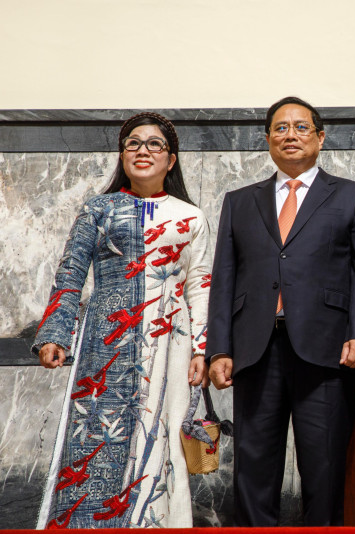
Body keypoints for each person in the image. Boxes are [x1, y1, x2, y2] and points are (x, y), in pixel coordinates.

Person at [206, 96, 355, 526]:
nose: (290, 135)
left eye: (301, 127)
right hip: (255, 350)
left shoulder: (354, 196)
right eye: (280, 128)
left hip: (327, 350)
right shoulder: (240, 201)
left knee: (323, 468)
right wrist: (219, 348)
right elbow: (224, 278)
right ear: (267, 139)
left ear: (320, 138)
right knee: (253, 467)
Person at [33, 112, 212, 528]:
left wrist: (202, 349)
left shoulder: (191, 216)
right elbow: (71, 272)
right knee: (94, 438)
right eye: (133, 143)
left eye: (154, 144)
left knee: (162, 440)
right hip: (106, 345)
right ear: (122, 154)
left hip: (171, 345)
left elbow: (200, 285)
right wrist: (56, 333)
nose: (142, 150)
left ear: (171, 159)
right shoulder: (97, 209)